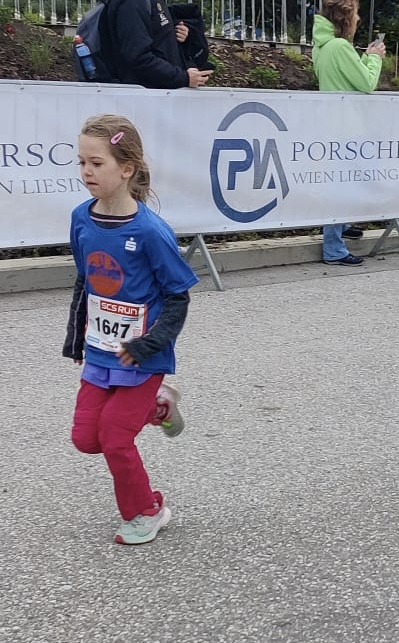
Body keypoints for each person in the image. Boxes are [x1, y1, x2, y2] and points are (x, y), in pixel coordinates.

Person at [63, 114, 199, 544]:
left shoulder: (150, 232)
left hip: (143, 357)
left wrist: (149, 344)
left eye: (96, 163)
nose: (86, 171)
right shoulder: (81, 219)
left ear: (126, 168)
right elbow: (85, 282)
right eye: (81, 162)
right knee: (87, 439)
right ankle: (158, 408)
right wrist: (75, 338)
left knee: (115, 438)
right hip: (100, 352)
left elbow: (178, 297)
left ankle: (146, 511)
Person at [311, 0, 385, 266]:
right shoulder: (341, 47)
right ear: (346, 19)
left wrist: (365, 59)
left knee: (341, 183)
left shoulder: (322, 46)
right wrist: (374, 58)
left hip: (332, 125)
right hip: (347, 129)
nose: (358, 20)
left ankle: (340, 226)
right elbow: (366, 83)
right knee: (343, 186)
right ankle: (333, 247)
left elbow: (346, 78)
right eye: (355, 15)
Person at [107, 0, 213, 89]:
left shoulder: (151, 3)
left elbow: (157, 41)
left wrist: (176, 33)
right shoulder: (132, 4)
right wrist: (183, 78)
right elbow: (138, 58)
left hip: (160, 95)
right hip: (145, 98)